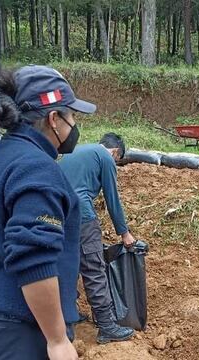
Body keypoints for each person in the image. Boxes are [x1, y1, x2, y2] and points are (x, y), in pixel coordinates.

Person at [0, 65, 96, 360]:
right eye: (71, 116)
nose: (74, 124)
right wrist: (57, 339)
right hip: (17, 330)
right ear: (54, 119)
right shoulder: (37, 169)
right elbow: (33, 258)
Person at [59, 133, 136, 344]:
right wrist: (124, 232)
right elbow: (113, 199)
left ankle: (69, 313)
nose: (115, 163)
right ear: (115, 152)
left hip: (57, 212)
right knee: (93, 266)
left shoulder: (78, 151)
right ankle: (106, 326)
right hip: (81, 214)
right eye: (117, 160)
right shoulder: (105, 157)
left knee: (69, 264)